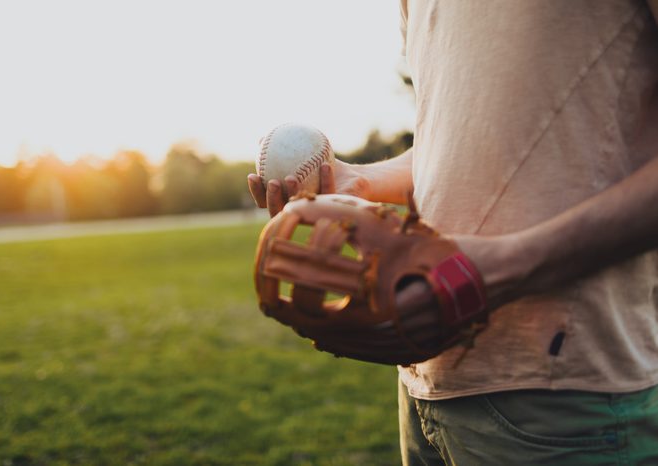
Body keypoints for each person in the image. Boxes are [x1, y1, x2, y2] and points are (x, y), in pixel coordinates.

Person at [248, 1, 658, 464]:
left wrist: (501, 269)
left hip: (564, 395)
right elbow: (454, 141)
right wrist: (359, 182)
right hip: (426, 384)